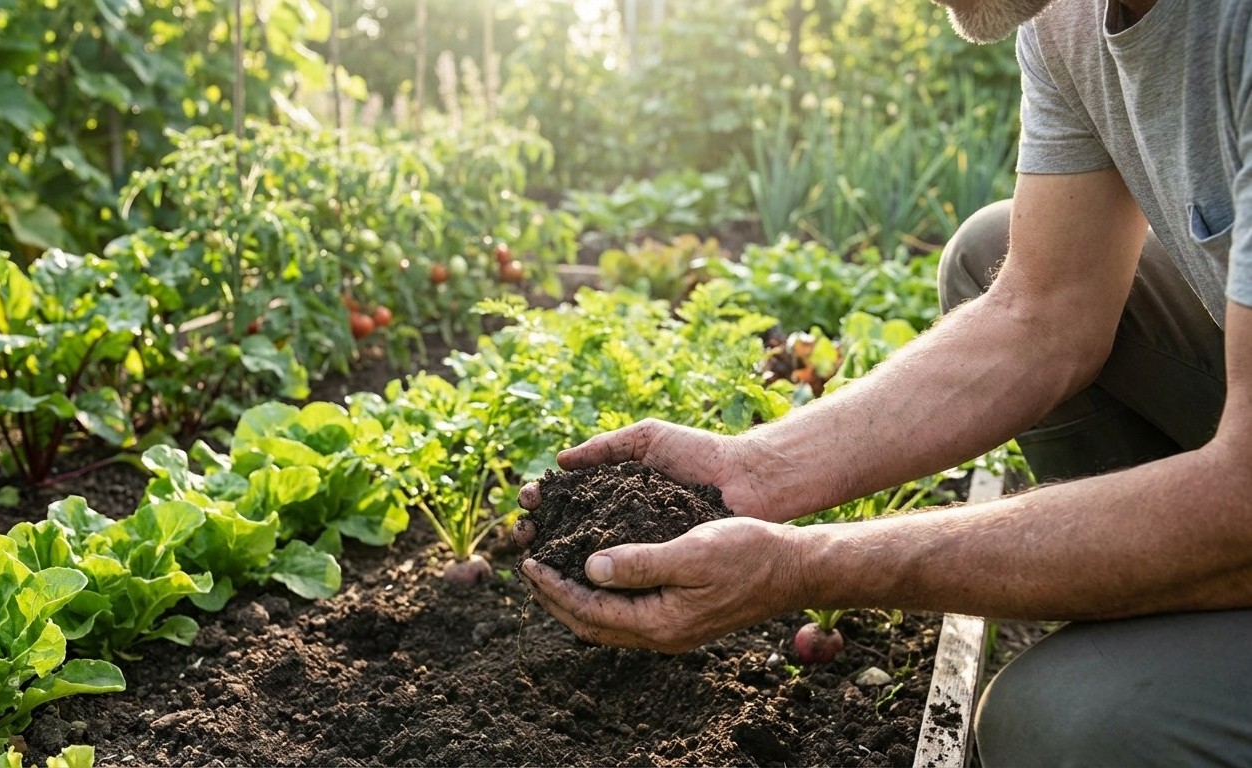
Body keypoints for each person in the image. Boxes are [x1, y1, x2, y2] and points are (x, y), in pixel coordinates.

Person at [514, 0, 1252, 765]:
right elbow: (1043, 313)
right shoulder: (1063, 17)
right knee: (990, 254)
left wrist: (801, 565)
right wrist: (752, 470)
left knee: (1062, 724)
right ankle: (1160, 596)